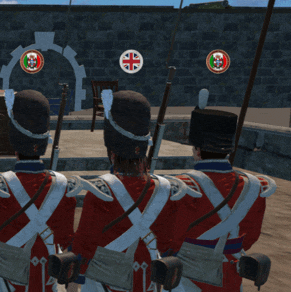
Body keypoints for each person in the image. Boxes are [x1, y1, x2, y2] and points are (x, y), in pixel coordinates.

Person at [71, 90, 198, 292]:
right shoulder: (167, 191)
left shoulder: (99, 192)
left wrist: (74, 281)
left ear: (112, 152)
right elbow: (169, 244)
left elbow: (85, 244)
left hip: (104, 284)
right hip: (149, 282)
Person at [170, 92, 277, 292]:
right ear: (228, 150)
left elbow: (171, 236)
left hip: (189, 276)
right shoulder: (254, 186)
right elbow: (251, 235)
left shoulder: (184, 187)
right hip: (231, 276)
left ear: (198, 150)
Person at [0, 90, 80, 292]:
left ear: (15, 143)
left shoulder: (0, 188)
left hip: (7, 279)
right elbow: (65, 239)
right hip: (46, 278)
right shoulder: (62, 187)